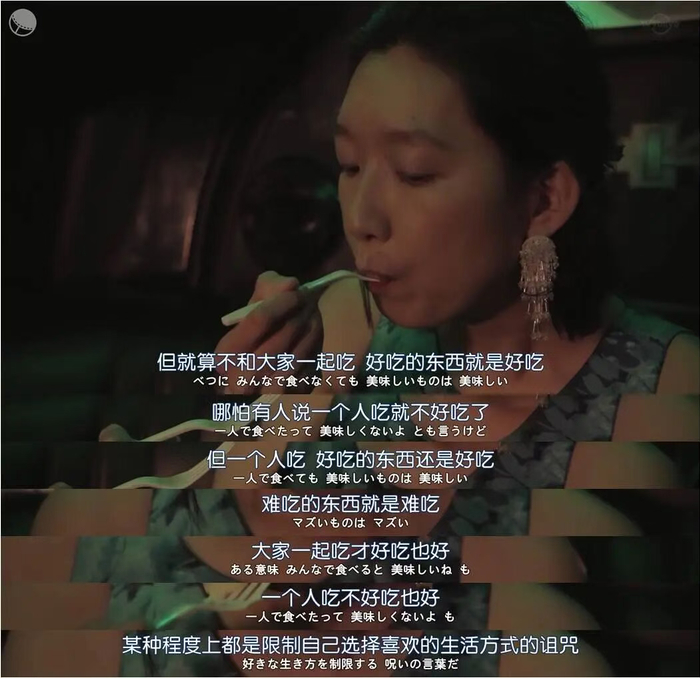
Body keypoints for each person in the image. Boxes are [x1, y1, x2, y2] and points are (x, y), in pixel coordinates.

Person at [5, 3, 699, 677]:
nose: (363, 217)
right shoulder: (348, 323)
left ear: (544, 197)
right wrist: (274, 413)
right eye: (347, 165)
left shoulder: (664, 391)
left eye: (415, 172)